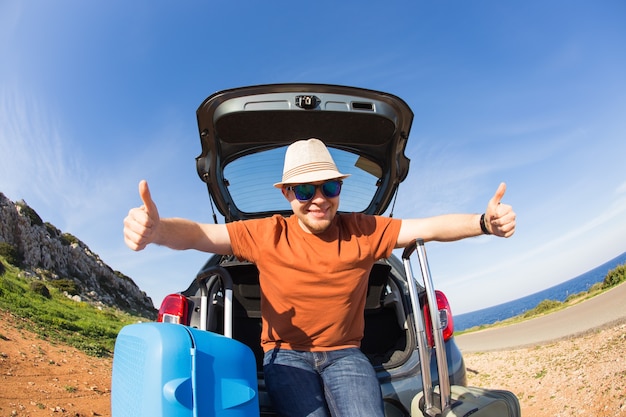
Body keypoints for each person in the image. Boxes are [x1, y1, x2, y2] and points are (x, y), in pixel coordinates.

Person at [123, 138, 516, 417]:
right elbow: (200, 235)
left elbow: (426, 227)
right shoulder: (267, 232)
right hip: (284, 357)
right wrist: (157, 231)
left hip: (346, 354)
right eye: (305, 189)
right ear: (288, 194)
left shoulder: (363, 229)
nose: (318, 198)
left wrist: (482, 223)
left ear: (340, 188)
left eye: (329, 186)